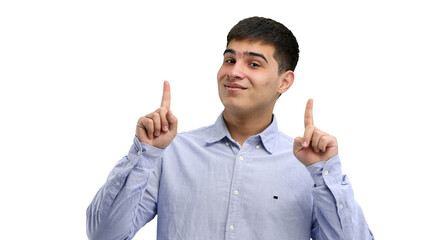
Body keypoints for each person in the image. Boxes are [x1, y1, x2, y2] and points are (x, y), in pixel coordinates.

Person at [86, 16, 374, 239]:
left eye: (254, 64)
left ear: (284, 82)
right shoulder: (170, 153)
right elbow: (104, 235)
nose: (234, 72)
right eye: (230, 59)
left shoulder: (307, 167)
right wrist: (144, 153)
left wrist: (325, 174)